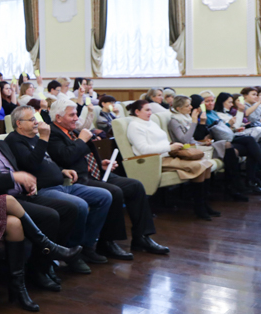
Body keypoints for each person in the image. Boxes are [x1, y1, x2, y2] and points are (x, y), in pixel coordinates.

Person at [0, 111, 81, 290]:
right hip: (1, 201)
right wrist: (14, 177)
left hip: (22, 196)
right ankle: (38, 270)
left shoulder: (1, 144)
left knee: (70, 209)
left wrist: (27, 184)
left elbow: (19, 171)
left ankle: (47, 261)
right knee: (50, 216)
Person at [46, 101, 169, 256]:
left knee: (135, 185)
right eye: (72, 115)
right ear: (58, 117)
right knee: (115, 192)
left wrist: (100, 164)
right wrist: (81, 140)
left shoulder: (72, 131)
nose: (76, 118)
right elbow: (65, 157)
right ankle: (107, 242)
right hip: (77, 179)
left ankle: (142, 237)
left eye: (76, 114)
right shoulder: (52, 134)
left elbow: (81, 155)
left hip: (95, 173)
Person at [5, 105, 113, 267]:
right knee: (80, 205)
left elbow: (47, 161)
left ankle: (87, 246)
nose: (36, 123)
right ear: (19, 123)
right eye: (32, 119)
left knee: (104, 196)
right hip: (43, 190)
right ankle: (71, 252)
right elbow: (32, 164)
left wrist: (62, 170)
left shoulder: (35, 138)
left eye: (36, 119)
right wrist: (44, 138)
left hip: (63, 184)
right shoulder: (14, 140)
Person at [126, 100, 220, 221]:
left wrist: (173, 146)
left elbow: (162, 141)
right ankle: (199, 207)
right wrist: (169, 147)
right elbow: (144, 150)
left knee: (206, 164)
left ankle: (204, 204)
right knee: (199, 166)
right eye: (147, 110)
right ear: (137, 112)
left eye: (150, 109)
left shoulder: (150, 123)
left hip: (168, 155)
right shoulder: (135, 126)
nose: (150, 112)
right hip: (155, 160)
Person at [168, 95, 249, 202]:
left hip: (197, 146)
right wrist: (194, 122)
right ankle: (234, 187)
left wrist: (203, 143)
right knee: (229, 148)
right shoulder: (175, 121)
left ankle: (233, 186)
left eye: (190, 105)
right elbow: (184, 141)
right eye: (187, 106)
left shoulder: (185, 118)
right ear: (178, 108)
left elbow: (193, 139)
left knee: (229, 147)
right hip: (189, 150)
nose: (191, 107)